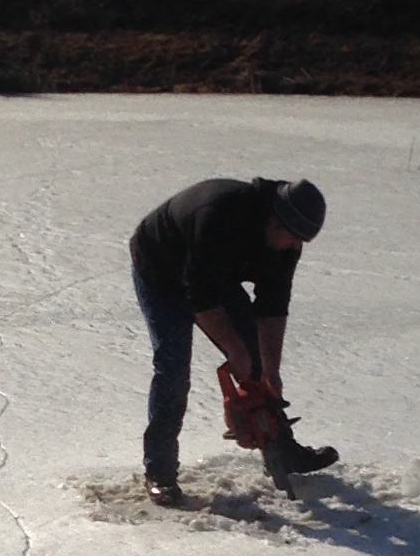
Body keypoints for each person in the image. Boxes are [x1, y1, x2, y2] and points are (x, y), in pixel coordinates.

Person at [128, 174, 336, 504]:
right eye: (293, 238)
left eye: (302, 242)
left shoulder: (287, 245)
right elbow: (200, 298)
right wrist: (235, 349)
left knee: (256, 360)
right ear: (274, 220)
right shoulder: (219, 217)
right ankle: (160, 472)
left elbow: (273, 308)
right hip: (160, 269)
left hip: (211, 275)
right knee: (173, 370)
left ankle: (282, 451)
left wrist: (271, 371)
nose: (296, 248)